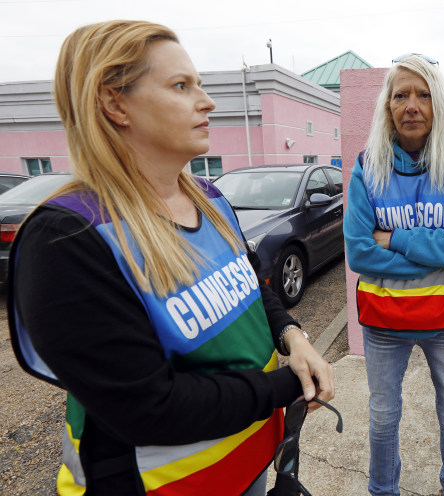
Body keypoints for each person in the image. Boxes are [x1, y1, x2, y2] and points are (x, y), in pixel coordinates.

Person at [7, 20, 334, 496]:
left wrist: (293, 337)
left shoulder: (208, 196)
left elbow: (252, 290)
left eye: (198, 84)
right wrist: (288, 388)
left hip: (246, 468)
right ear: (114, 103)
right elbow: (150, 407)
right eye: (181, 86)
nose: (207, 102)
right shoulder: (66, 238)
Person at [343, 54, 444, 496]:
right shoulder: (368, 165)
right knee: (383, 417)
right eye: (401, 95)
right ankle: (382, 489)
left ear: (439, 104)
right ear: (387, 107)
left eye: (424, 94)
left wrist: (398, 238)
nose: (412, 105)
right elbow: (360, 253)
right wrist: (437, 253)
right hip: (384, 324)